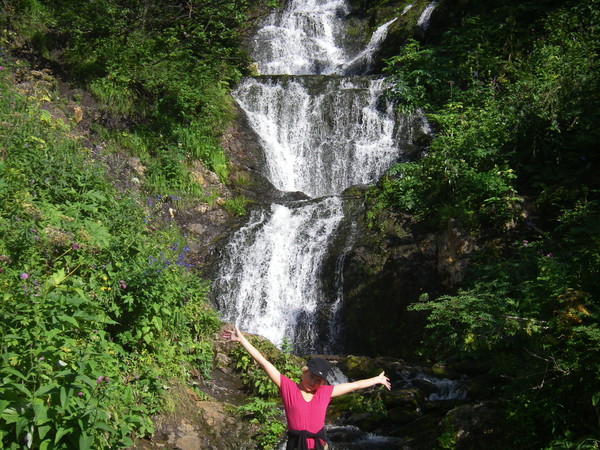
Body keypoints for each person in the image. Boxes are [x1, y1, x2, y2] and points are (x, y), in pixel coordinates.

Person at [222, 326, 391, 450]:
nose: (314, 382)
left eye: (319, 380)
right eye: (311, 377)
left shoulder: (325, 393)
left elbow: (355, 385)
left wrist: (377, 379)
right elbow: (265, 363)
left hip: (319, 446)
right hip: (296, 445)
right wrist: (242, 340)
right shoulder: (289, 389)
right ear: (304, 373)